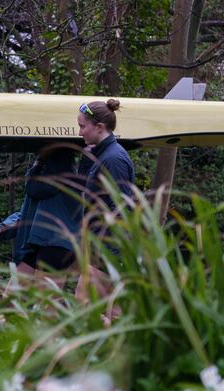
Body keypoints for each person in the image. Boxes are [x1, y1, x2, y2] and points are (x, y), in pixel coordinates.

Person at [0, 146, 83, 290]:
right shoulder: (39, 172)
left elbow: (40, 196)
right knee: (13, 299)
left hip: (56, 244)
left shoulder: (63, 177)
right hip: (36, 244)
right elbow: (29, 214)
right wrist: (3, 227)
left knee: (47, 304)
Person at [74, 99, 136, 319]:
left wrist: (110, 255)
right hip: (101, 249)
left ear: (99, 127)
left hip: (107, 249)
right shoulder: (102, 155)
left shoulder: (114, 159)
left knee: (84, 310)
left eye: (83, 126)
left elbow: (119, 210)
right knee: (113, 313)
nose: (79, 131)